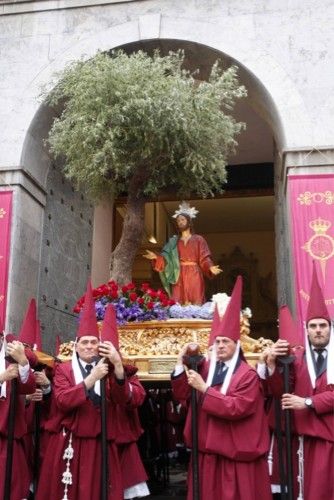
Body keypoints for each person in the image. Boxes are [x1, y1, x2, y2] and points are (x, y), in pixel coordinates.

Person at [171, 276, 272, 500]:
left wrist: (204, 389)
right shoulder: (206, 368)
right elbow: (183, 396)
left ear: (237, 345)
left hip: (235, 457)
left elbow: (237, 408)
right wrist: (181, 363)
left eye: (226, 341)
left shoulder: (248, 374)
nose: (220, 345)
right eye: (217, 342)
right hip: (206, 454)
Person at [36, 282, 133, 500]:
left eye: (93, 342)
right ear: (76, 345)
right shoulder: (63, 369)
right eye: (85, 342)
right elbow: (62, 400)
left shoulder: (107, 367)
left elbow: (122, 399)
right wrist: (91, 379)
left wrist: (118, 366)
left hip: (100, 442)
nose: (89, 346)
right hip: (69, 441)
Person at [265, 266, 334, 500]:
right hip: (303, 440)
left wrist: (307, 401)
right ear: (306, 330)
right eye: (313, 326)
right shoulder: (297, 358)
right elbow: (280, 390)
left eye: (322, 326)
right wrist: (273, 364)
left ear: (330, 329)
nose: (318, 330)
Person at [143, 201, 222, 305]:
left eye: (182, 220)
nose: (180, 222)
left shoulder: (198, 239)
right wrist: (156, 258)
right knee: (177, 303)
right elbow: (166, 259)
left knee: (196, 303)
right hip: (178, 274)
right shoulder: (173, 241)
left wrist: (210, 267)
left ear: (189, 221)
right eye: (178, 220)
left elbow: (204, 258)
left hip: (194, 275)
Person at [0, 327, 36, 500]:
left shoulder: (9, 361)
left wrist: (22, 362)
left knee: (12, 487)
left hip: (9, 437)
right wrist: (2, 378)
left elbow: (28, 386)